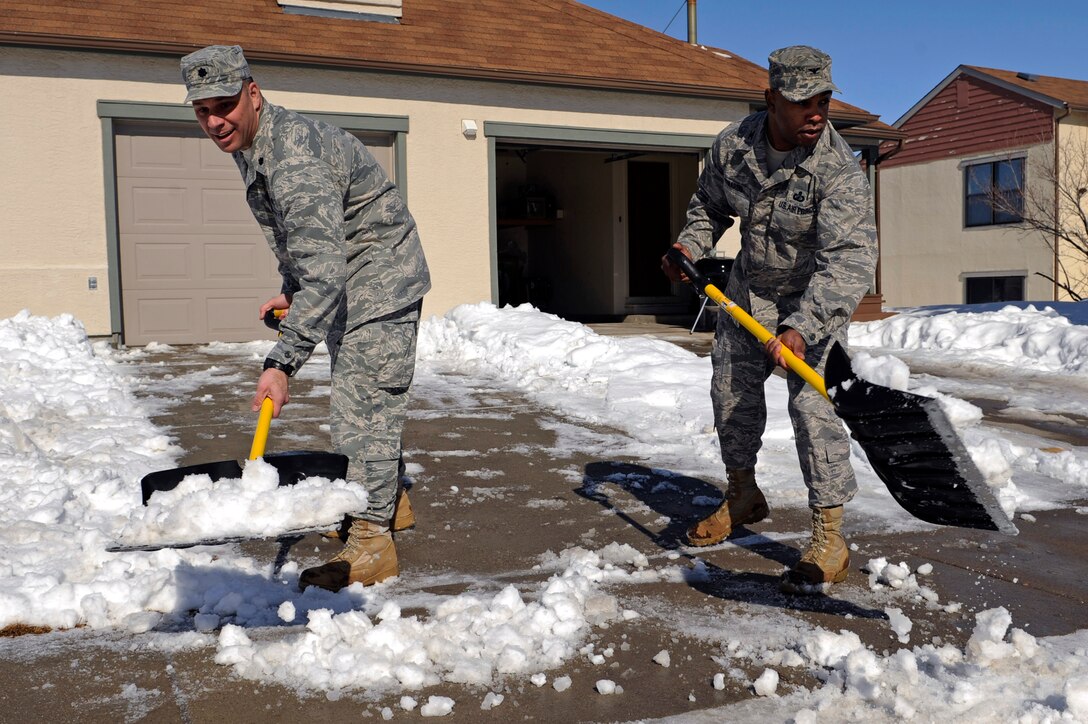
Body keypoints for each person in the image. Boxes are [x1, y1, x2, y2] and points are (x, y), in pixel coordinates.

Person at [180, 45, 431, 592]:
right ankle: (393, 503)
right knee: (365, 403)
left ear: (253, 93)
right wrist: (295, 291)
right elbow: (307, 246)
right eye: (202, 111)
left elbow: (325, 269)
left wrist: (282, 363)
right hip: (348, 277)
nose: (215, 121)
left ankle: (372, 542)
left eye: (224, 105)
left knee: (361, 410)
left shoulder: (294, 157)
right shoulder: (255, 144)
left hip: (380, 280)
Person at [661, 46, 877, 594]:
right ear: (771, 100)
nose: (816, 113)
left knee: (813, 409)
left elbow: (848, 260)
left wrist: (803, 327)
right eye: (803, 102)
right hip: (747, 294)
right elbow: (707, 205)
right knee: (731, 398)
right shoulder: (735, 146)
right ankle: (742, 495)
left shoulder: (836, 170)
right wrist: (690, 245)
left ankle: (830, 538)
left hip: (813, 302)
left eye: (824, 99)